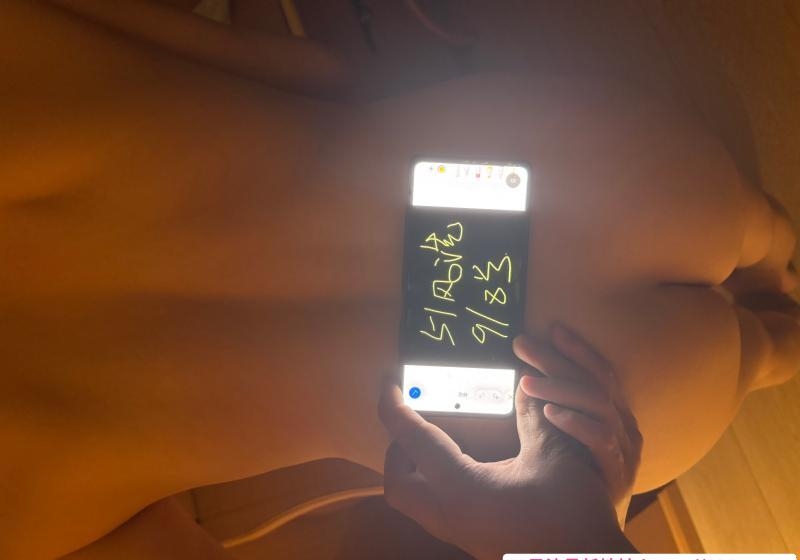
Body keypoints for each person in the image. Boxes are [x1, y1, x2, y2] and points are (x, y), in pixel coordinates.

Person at [2, 1, 798, 557]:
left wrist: (561, 537)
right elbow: (214, 55)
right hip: (597, 168)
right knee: (751, 224)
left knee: (756, 358)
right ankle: (773, 241)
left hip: (580, 421)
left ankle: (770, 355)